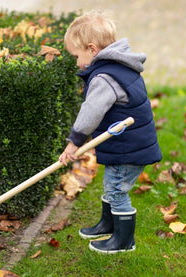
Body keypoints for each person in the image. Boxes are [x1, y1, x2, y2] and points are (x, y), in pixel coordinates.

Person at [58, 11, 162, 254]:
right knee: (112, 186)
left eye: (76, 55)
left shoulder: (104, 77)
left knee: (116, 191)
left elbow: (91, 112)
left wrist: (74, 142)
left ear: (92, 49)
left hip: (128, 148)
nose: (76, 63)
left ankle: (124, 241)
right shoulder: (120, 67)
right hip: (131, 143)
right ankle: (108, 225)